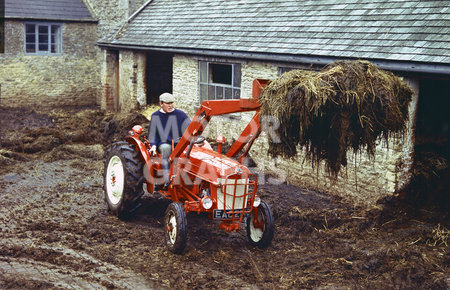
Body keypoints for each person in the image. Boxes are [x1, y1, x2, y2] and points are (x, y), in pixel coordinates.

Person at [148, 93, 190, 186]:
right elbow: (152, 133)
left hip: (179, 143)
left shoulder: (180, 114)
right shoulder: (156, 116)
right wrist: (153, 145)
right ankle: (167, 180)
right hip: (164, 143)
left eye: (171, 103)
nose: (170, 105)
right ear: (161, 104)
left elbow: (190, 127)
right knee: (166, 148)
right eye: (168, 103)